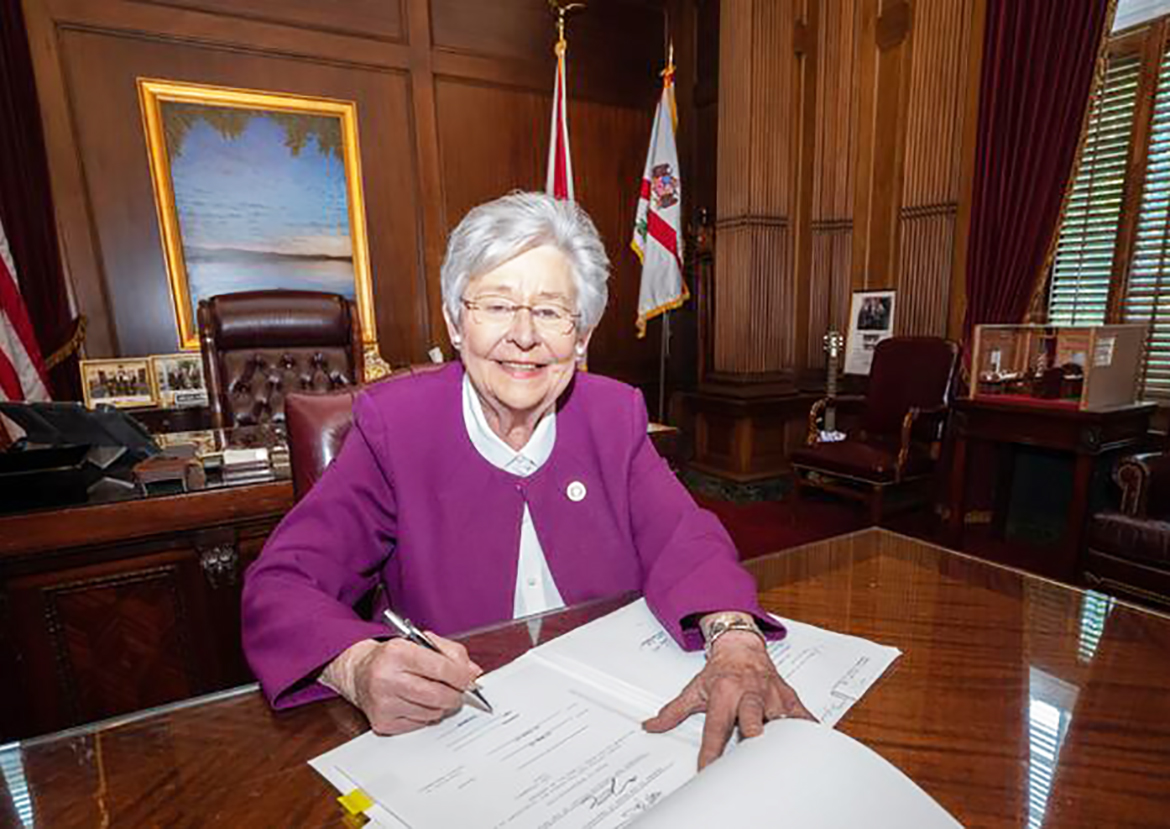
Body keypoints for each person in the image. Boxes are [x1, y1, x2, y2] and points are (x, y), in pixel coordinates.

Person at [242, 192, 811, 771]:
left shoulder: (613, 416)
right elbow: (282, 585)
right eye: (495, 305)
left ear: (581, 336)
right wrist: (357, 665)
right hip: (461, 741)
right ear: (455, 323)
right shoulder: (397, 428)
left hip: (614, 720)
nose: (523, 336)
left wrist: (736, 638)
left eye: (549, 311)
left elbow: (684, 541)